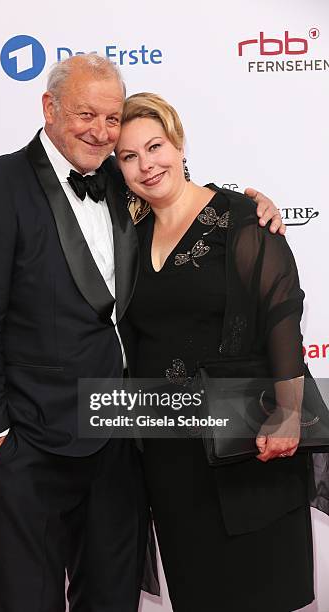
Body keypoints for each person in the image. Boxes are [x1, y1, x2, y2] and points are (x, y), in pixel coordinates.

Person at [0, 55, 284, 612]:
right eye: (85, 115)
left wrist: (248, 207)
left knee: (113, 596)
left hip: (121, 437)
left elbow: (180, 199)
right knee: (29, 598)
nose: (101, 132)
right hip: (31, 440)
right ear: (49, 108)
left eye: (111, 119)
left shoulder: (118, 179)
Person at [115, 92, 320, 612]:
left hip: (248, 445)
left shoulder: (243, 218)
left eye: (154, 146)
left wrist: (290, 413)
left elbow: (281, 316)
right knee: (199, 594)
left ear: (179, 143)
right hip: (169, 458)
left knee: (262, 593)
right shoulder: (128, 237)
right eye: (129, 156)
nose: (146, 164)